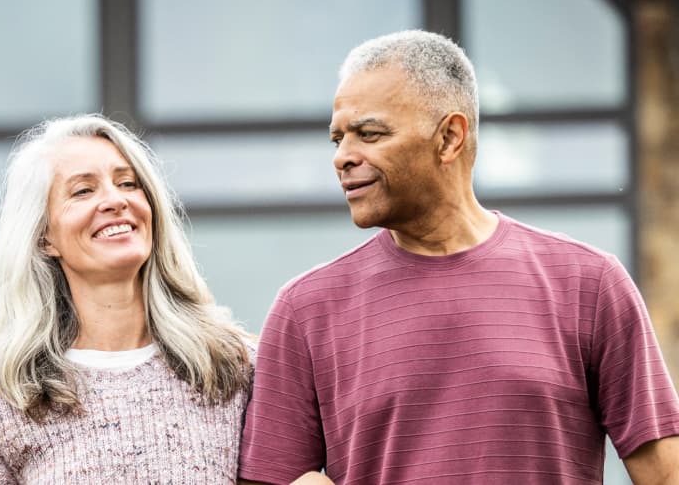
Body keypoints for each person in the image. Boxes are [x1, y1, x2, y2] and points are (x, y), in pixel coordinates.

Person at [238, 31, 679, 484]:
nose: (344, 158)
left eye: (369, 134)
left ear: (449, 137)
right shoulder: (306, 309)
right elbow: (272, 479)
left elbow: (665, 474)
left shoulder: (589, 283)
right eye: (338, 139)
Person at [0, 114, 329, 484]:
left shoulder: (236, 366)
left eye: (128, 183)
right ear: (44, 237)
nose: (114, 200)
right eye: (83, 190)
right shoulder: (3, 394)